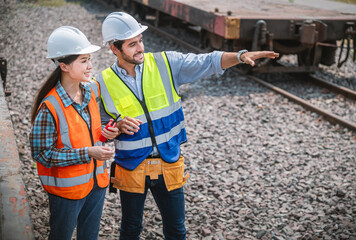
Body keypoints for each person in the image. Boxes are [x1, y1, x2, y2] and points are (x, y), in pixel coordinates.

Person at [95, 12, 279, 240]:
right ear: (115, 48)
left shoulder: (165, 63)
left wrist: (240, 56)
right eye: (132, 44)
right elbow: (100, 128)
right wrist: (115, 128)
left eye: (141, 40)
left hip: (168, 162)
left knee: (176, 230)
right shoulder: (102, 82)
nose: (140, 47)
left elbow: (208, 61)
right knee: (130, 230)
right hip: (131, 167)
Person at [29, 26, 119, 240]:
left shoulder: (91, 91)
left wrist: (106, 135)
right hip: (66, 192)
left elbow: (89, 134)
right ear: (64, 66)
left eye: (89, 59)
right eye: (83, 60)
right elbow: (42, 154)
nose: (90, 66)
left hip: (96, 185)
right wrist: (87, 152)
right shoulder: (49, 107)